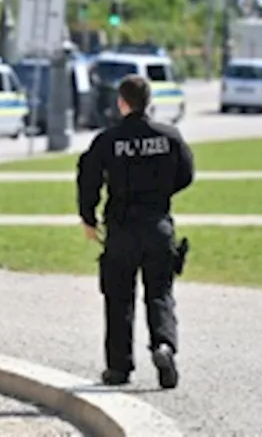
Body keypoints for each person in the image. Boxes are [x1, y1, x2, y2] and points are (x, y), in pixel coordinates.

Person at [76, 73, 195, 390]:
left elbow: (88, 178)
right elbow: (187, 174)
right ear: (149, 101)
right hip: (158, 225)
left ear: (122, 102)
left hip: (121, 228)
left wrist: (88, 217)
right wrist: (160, 195)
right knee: (160, 294)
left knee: (118, 299)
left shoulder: (108, 140)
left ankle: (118, 368)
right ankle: (164, 346)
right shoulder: (169, 136)